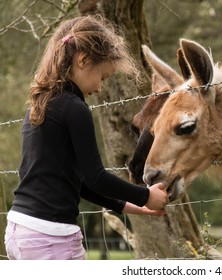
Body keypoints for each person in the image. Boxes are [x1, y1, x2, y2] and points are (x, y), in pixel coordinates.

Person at [4, 15, 168, 260]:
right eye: (102, 77)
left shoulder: (39, 106)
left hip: (21, 230)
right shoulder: (75, 108)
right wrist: (146, 196)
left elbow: (80, 183)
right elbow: (97, 177)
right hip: (52, 237)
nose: (100, 88)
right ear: (83, 60)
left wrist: (133, 206)